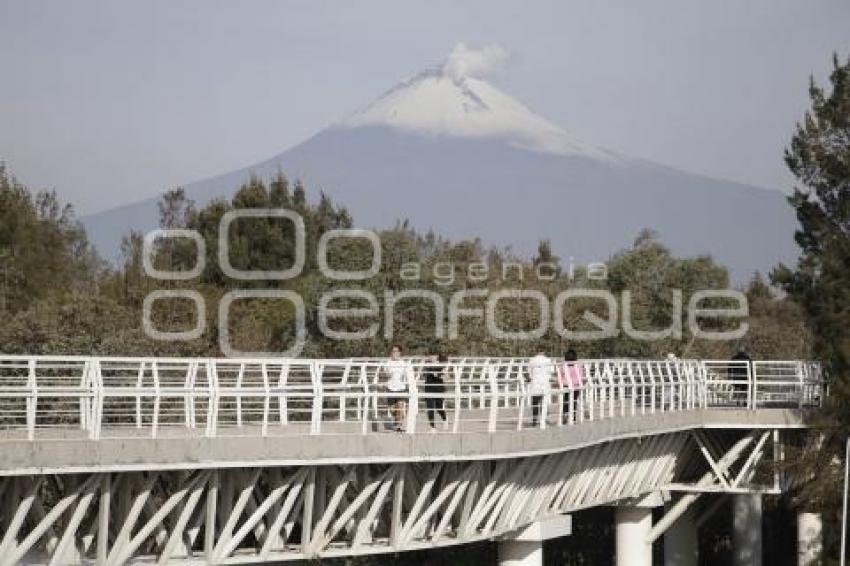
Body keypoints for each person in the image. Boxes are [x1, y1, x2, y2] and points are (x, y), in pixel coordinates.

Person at [383, 344, 413, 432]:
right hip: (391, 388)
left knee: (400, 407)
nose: (395, 353)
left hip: (401, 388)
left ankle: (399, 426)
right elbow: (386, 374)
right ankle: (397, 421)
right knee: (392, 409)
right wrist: (387, 375)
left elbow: (408, 376)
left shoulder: (403, 364)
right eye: (393, 351)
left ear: (400, 353)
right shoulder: (388, 363)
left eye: (396, 351)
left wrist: (409, 385)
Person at [422, 353, 449, 431]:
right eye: (430, 355)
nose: (431, 357)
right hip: (429, 388)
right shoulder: (427, 364)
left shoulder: (441, 365)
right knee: (430, 408)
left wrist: (439, 374)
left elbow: (446, 376)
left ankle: (445, 418)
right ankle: (432, 427)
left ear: (436, 357)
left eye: (433, 355)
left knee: (439, 407)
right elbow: (423, 374)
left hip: (438, 388)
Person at [526, 350, 553, 427]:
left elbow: (529, 373)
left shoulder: (532, 360)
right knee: (544, 402)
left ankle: (534, 420)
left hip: (535, 383)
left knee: (535, 402)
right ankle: (544, 419)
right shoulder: (548, 360)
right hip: (544, 383)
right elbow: (550, 372)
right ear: (544, 352)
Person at [557, 348, 584, 423]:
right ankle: (573, 418)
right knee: (574, 402)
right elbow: (581, 375)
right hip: (576, 386)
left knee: (565, 401)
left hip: (566, 385)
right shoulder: (578, 364)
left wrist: (560, 383)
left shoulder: (563, 364)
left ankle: (565, 415)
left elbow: (560, 375)